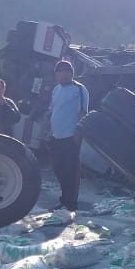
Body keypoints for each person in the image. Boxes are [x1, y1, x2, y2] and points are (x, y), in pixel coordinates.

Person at [48, 60, 89, 211]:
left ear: (72, 73)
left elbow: (83, 112)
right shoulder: (56, 90)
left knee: (70, 171)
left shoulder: (79, 89)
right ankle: (64, 199)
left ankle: (71, 203)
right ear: (56, 74)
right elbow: (53, 111)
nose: (64, 74)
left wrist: (77, 133)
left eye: (68, 71)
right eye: (61, 71)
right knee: (58, 169)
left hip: (70, 136)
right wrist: (49, 131)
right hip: (56, 136)